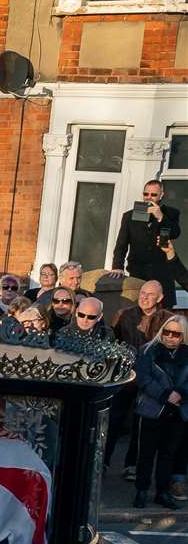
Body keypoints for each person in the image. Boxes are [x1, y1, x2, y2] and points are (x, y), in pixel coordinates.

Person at [112, 280, 170, 475]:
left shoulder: (167, 319)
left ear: (160, 298)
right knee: (114, 419)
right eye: (142, 292)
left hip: (151, 379)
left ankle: (132, 465)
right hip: (126, 376)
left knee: (141, 424)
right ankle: (102, 463)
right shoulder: (125, 315)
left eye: (150, 294)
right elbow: (114, 341)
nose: (144, 297)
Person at [132, 314, 188, 509]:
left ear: (183, 336)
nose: (170, 337)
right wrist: (165, 394)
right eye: (167, 331)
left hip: (178, 411)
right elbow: (142, 378)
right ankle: (141, 491)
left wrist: (180, 393)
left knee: (168, 454)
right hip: (153, 409)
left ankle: (162, 492)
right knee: (146, 454)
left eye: (176, 334)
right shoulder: (148, 350)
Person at [107, 180, 182, 308]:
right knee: (135, 312)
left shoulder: (171, 213)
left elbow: (175, 233)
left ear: (161, 195)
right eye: (146, 194)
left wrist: (160, 217)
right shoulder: (129, 216)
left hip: (162, 273)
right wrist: (117, 266)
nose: (149, 197)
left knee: (162, 313)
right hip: (138, 272)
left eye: (153, 195)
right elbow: (121, 244)